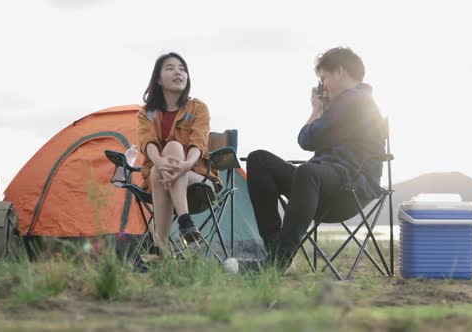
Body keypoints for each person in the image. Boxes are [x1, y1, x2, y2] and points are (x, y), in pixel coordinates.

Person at [239, 47, 385, 272]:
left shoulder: (354, 99)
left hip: (349, 187)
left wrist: (316, 110)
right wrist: (323, 109)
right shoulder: (349, 103)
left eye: (324, 78)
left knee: (306, 171)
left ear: (340, 72)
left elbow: (307, 139)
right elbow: (316, 139)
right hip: (322, 183)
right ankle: (277, 252)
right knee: (259, 160)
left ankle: (278, 261)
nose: (323, 85)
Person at [137, 52, 221, 257]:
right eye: (170, 68)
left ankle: (160, 245)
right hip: (160, 181)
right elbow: (147, 141)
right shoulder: (146, 113)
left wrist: (186, 165)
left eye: (182, 69)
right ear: (158, 79)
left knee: (172, 150)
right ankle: (185, 224)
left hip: (199, 181)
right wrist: (160, 162)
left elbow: (198, 141)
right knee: (160, 167)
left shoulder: (198, 108)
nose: (178, 72)